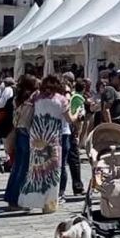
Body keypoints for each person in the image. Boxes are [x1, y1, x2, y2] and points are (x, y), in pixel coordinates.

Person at [19, 75, 75, 213]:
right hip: (52, 137)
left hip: (37, 137)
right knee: (52, 171)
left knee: (35, 170)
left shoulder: (36, 96)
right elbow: (69, 119)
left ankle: (28, 201)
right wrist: (78, 113)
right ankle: (49, 205)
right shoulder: (61, 100)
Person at [4, 75, 39, 210]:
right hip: (27, 132)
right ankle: (17, 200)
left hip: (18, 131)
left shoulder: (17, 98)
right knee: (24, 168)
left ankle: (11, 196)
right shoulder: (32, 98)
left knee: (17, 167)